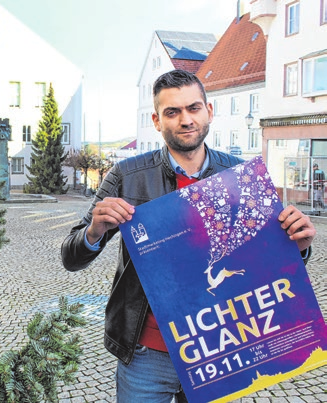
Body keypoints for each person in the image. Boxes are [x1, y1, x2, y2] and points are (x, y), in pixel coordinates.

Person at [61, 70, 316, 403]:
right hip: (147, 353)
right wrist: (95, 230)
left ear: (209, 111)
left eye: (193, 108)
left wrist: (296, 247)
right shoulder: (128, 175)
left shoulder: (239, 176)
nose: (185, 120)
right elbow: (71, 257)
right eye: (172, 112)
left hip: (220, 349)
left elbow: (263, 262)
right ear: (156, 120)